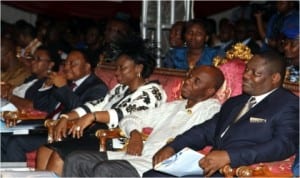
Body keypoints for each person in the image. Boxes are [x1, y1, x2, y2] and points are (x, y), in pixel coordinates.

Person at [143, 50, 299, 177]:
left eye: (255, 73)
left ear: (275, 78)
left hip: (240, 170)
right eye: (246, 70)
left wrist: (230, 156)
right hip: (208, 168)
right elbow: (204, 131)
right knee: (153, 175)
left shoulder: (287, 104)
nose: (245, 76)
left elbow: (284, 145)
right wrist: (172, 147)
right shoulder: (235, 102)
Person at [36, 35, 167, 175]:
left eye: (122, 68)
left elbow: (124, 114)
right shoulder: (120, 89)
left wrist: (93, 117)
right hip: (95, 135)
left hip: (116, 139)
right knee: (45, 150)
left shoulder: (153, 92)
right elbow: (95, 104)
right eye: (116, 68)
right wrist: (66, 117)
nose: (116, 72)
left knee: (59, 155)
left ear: (138, 68)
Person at [62, 65, 225, 177]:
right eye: (189, 77)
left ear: (209, 91)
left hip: (158, 165)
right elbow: (132, 117)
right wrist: (135, 134)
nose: (187, 81)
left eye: (196, 81)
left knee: (106, 170)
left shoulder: (212, 111)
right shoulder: (174, 106)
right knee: (76, 159)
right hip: (136, 155)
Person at [1, 48, 109, 162]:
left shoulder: (97, 87)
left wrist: (63, 88)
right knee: (2, 136)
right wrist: (47, 86)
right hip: (46, 125)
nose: (67, 68)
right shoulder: (67, 82)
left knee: (16, 142)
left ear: (87, 67)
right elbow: (43, 107)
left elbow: (83, 111)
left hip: (65, 133)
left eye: (72, 64)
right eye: (66, 63)